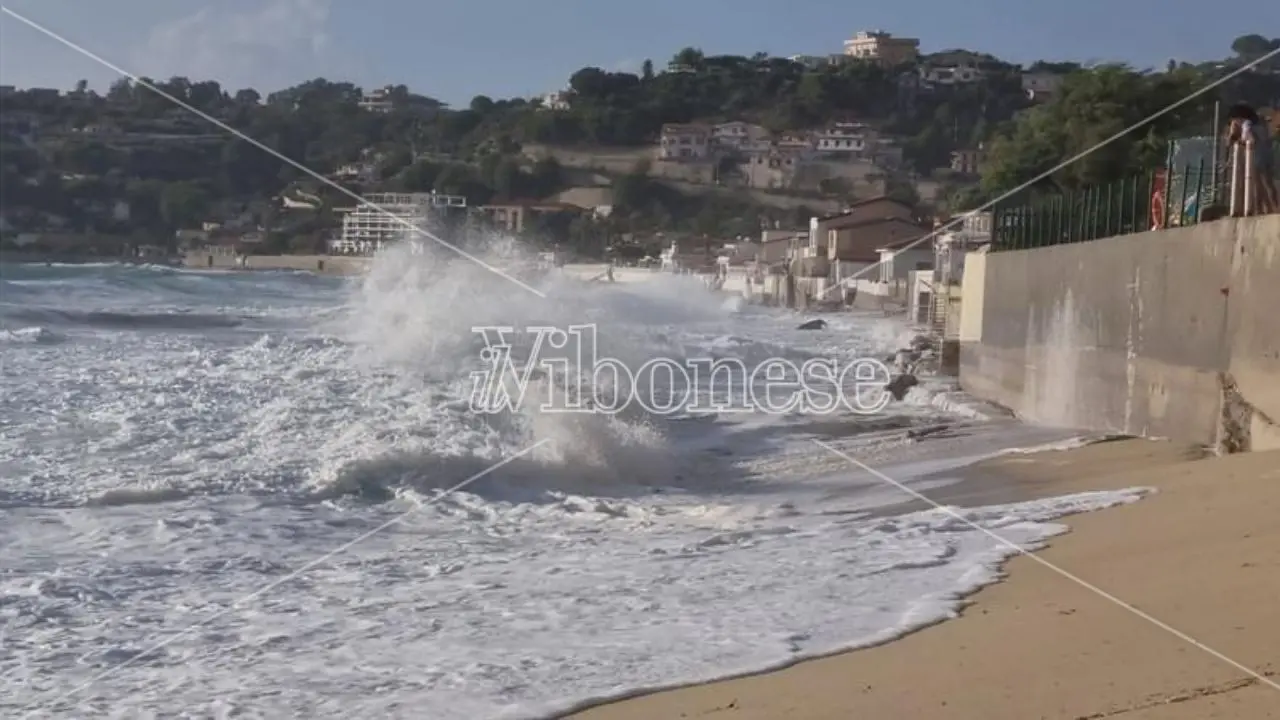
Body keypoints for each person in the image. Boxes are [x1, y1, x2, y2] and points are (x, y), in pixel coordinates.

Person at [1226, 103, 1278, 215]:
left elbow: (1249, 138)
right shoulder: (1261, 124)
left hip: (1255, 156)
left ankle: (1260, 208)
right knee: (1269, 183)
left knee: (1257, 184)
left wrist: (1240, 141)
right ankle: (1274, 207)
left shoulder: (1246, 124)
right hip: (1267, 154)